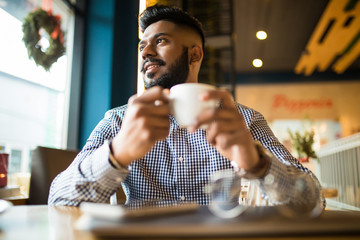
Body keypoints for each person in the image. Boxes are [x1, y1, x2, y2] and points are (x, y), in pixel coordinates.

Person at [48, 5, 324, 211]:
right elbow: (58, 200)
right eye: (142, 45)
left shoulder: (244, 120)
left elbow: (314, 202)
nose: (145, 52)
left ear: (195, 54)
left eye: (160, 41)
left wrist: (258, 164)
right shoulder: (120, 120)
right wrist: (117, 154)